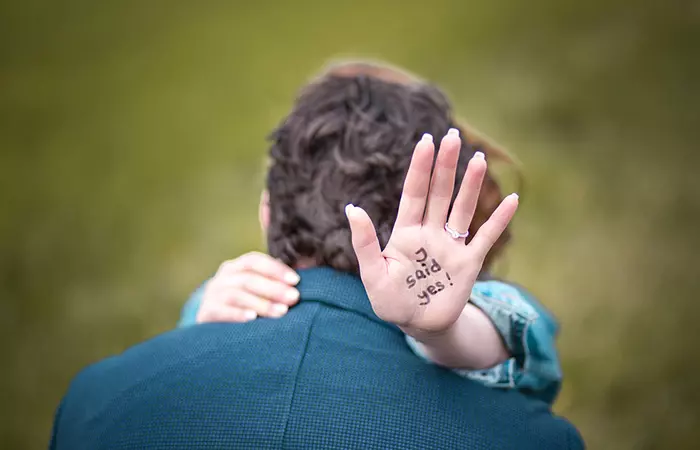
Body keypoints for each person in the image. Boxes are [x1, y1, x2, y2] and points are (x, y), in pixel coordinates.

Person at [49, 64, 584, 449]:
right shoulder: (528, 437)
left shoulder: (94, 403)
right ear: (454, 226)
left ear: (268, 211)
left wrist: (196, 328)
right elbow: (531, 355)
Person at [179, 61, 562, 405]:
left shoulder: (478, 305)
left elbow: (513, 331)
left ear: (267, 211)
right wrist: (203, 315)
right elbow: (535, 351)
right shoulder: (238, 292)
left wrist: (445, 333)